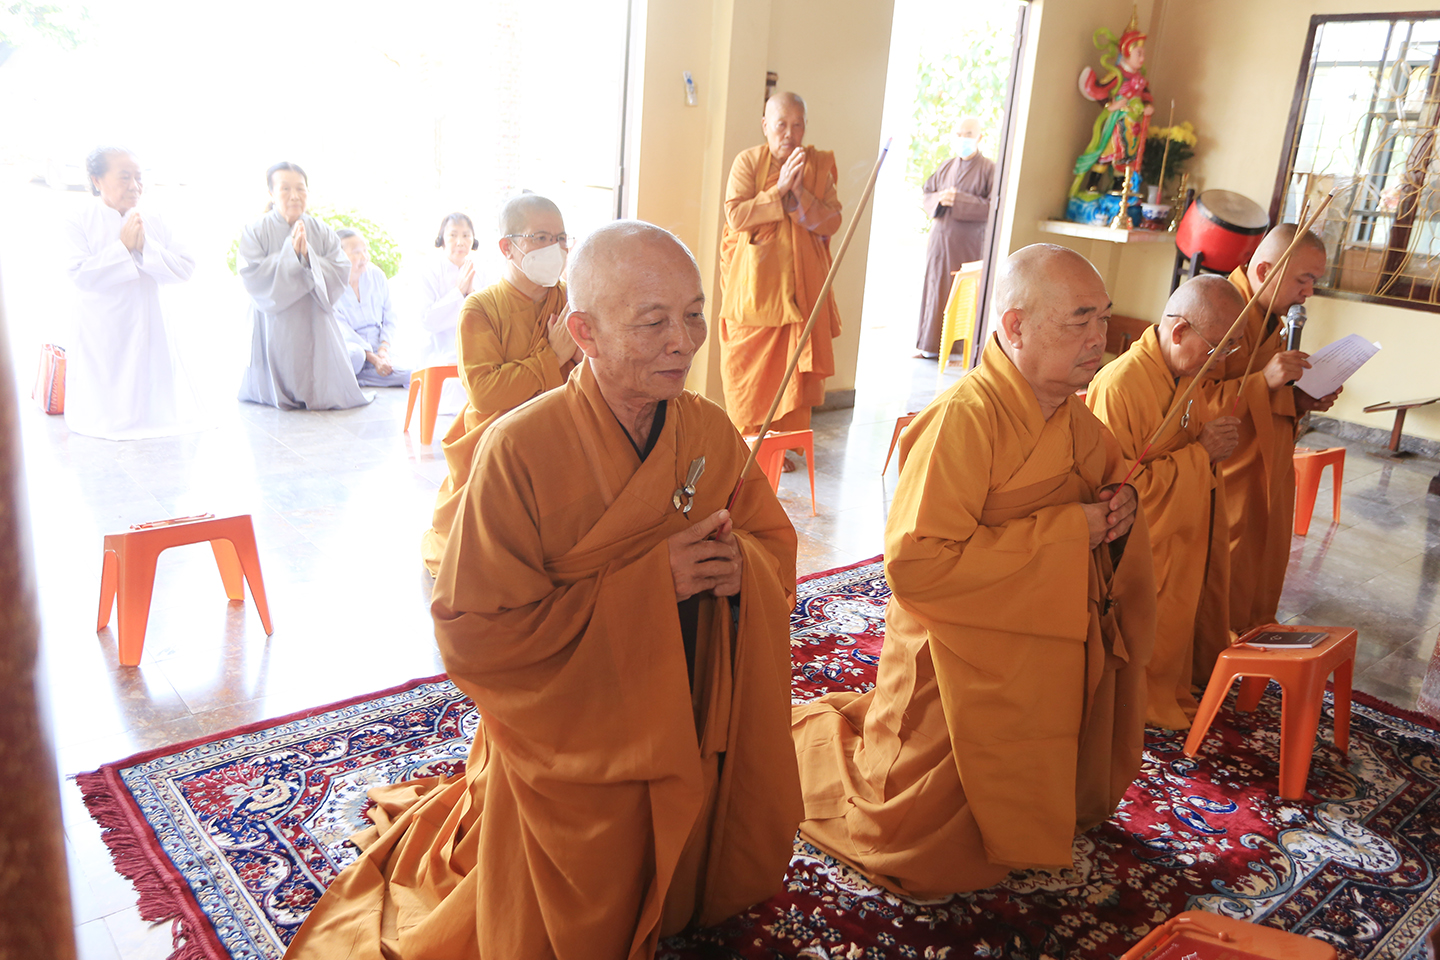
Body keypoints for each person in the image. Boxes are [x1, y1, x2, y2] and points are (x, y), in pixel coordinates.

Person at [284, 221, 802, 959]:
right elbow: (475, 633)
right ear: (583, 332)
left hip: (686, 706)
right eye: (652, 322)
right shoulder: (519, 449)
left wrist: (741, 567)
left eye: (692, 315)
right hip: (573, 738)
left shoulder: (710, 431)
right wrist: (650, 588)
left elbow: (771, 545)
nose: (683, 343)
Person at [790, 243, 1156, 897]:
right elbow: (918, 567)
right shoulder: (962, 421)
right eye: (1080, 319)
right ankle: (801, 748)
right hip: (957, 658)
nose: (1099, 337)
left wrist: (1120, 514)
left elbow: (1104, 516)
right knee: (910, 853)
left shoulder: (1082, 425)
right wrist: (1070, 531)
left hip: (1045, 647)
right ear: (1016, 326)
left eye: (1103, 318)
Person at [1086, 276, 1244, 729]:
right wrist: (1201, 455)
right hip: (1138, 545)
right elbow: (1118, 493)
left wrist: (1208, 448)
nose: (1222, 361)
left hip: (1180, 533)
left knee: (1177, 620)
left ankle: (1164, 685)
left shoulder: (1187, 375)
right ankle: (1133, 697)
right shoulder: (1120, 386)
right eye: (1218, 349)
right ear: (1179, 331)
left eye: (1231, 349)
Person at [419, 195, 579, 574]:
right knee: (480, 562)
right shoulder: (481, 308)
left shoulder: (573, 301)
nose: (554, 249)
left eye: (561, 239)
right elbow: (485, 392)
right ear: (508, 247)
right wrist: (552, 357)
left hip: (563, 439)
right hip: (497, 447)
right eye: (541, 238)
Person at [1215, 225, 1339, 649]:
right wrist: (1263, 381)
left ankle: (1247, 644)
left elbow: (1267, 398)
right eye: (1303, 279)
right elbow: (1188, 401)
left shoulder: (1271, 320)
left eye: (1315, 281)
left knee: (1260, 561)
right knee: (1224, 568)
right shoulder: (1222, 311)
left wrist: (1300, 399)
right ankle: (1212, 652)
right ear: (1265, 270)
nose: (1308, 293)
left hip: (1266, 468)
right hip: (1227, 474)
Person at [719, 91, 842, 443]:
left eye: (797, 125)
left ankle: (781, 444)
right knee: (747, 370)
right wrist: (780, 190)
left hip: (801, 290)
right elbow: (736, 215)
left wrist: (799, 194)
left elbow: (832, 221)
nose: (789, 133)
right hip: (754, 290)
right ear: (765, 126)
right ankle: (749, 443)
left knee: (792, 372)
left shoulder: (816, 168)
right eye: (781, 125)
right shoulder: (747, 163)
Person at [62, 147, 200, 440]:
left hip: (151, 319)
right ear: (97, 180)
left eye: (139, 177)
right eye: (124, 177)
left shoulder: (155, 217)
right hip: (102, 326)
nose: (135, 186)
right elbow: (78, 274)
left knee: (153, 390)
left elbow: (186, 267)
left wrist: (144, 248)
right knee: (108, 397)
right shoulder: (78, 218)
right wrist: (122, 249)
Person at [237, 162, 370, 410]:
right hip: (273, 322)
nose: (294, 196)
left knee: (316, 377)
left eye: (300, 188)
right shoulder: (255, 231)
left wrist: (308, 259)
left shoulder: (322, 231)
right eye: (285, 188)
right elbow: (251, 273)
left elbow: (340, 268)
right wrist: (292, 257)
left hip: (313, 318)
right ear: (271, 193)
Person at [915, 117, 995, 358]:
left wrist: (959, 200)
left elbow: (993, 206)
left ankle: (957, 350)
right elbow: (927, 192)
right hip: (939, 241)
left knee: (961, 294)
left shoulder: (989, 169)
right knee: (934, 288)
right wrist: (940, 198)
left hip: (967, 246)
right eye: (958, 134)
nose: (963, 139)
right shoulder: (946, 166)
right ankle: (929, 347)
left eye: (968, 134)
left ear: (979, 137)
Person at [334, 228, 409, 387]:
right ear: (339, 256)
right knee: (356, 355)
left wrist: (383, 349)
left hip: (377, 346)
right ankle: (356, 375)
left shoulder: (376, 275)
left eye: (365, 250)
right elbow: (344, 333)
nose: (364, 257)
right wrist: (374, 360)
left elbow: (390, 317)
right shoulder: (331, 286)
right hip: (350, 350)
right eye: (356, 252)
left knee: (409, 372)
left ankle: (357, 379)